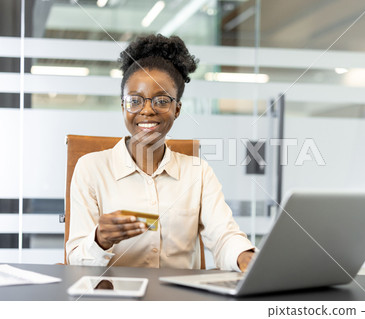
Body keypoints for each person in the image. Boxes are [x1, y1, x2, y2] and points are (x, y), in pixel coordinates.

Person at [66, 34, 255, 271]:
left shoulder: (198, 173)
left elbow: (224, 236)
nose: (147, 110)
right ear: (123, 105)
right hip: (115, 298)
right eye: (135, 101)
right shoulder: (90, 169)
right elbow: (75, 259)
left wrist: (245, 257)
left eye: (161, 101)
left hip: (181, 299)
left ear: (177, 109)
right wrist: (100, 240)